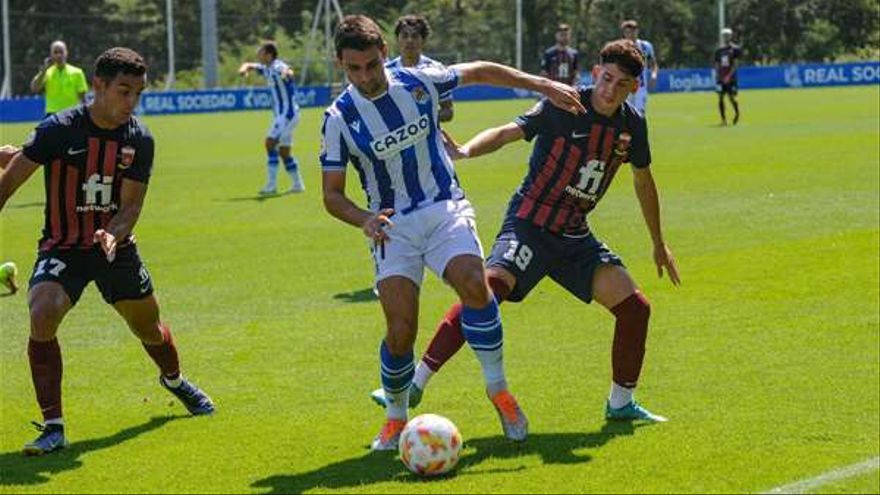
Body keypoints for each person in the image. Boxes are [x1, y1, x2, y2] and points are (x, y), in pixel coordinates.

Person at [371, 39, 679, 424]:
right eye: (607, 78)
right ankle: (413, 384)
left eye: (621, 84)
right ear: (596, 72)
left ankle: (620, 404)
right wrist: (466, 151)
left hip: (573, 236)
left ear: (634, 87)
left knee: (636, 310)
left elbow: (644, 181)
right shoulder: (563, 103)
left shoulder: (633, 125)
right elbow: (506, 132)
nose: (610, 89)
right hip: (530, 224)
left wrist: (658, 243)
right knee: (486, 292)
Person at [321, 15, 585, 451]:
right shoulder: (338, 118)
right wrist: (364, 218)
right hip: (393, 228)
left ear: (384, 53)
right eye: (354, 69)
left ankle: (498, 390)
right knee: (401, 329)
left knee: (473, 283)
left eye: (371, 64)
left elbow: (480, 69)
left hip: (444, 207)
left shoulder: (419, 80)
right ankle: (395, 417)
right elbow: (332, 195)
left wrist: (544, 86)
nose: (365, 77)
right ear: (341, 65)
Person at [0, 47, 215, 456]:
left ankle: (174, 381)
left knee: (148, 328)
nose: (131, 102)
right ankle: (53, 426)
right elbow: (8, 182)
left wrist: (114, 234)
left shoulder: (140, 139)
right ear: (98, 86)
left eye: (138, 93)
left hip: (114, 248)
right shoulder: (58, 129)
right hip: (63, 244)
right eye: (124, 91)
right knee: (42, 310)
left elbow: (131, 205)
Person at [238, 41, 304, 195]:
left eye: (260, 52)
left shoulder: (277, 67)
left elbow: (288, 71)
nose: (258, 54)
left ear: (268, 55)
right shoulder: (267, 68)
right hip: (286, 115)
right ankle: (297, 185)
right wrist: (244, 70)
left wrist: (287, 74)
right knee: (284, 152)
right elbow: (249, 65)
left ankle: (271, 185)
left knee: (269, 143)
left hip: (286, 115)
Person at [386, 15, 454, 122]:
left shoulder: (436, 70)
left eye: (415, 36)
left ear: (423, 40)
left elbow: (448, 111)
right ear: (397, 39)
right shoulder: (386, 72)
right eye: (404, 36)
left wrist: (423, 120)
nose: (409, 40)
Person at [30, 41, 89, 117]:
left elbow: (83, 98)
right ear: (51, 55)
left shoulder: (77, 72)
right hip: (52, 115)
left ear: (66, 53)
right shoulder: (46, 72)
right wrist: (43, 71)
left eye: (61, 52)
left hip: (71, 114)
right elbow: (34, 88)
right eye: (55, 52)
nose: (59, 55)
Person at [621, 20, 658, 115]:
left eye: (633, 31)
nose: (631, 34)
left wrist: (654, 76)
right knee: (625, 116)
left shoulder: (646, 46)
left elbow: (653, 64)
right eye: (627, 32)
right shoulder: (620, 47)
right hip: (625, 87)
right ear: (624, 33)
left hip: (641, 88)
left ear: (637, 31)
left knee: (639, 115)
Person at [715, 28, 742, 125]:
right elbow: (717, 64)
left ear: (731, 36)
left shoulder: (735, 49)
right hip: (721, 78)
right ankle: (723, 120)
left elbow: (735, 64)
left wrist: (729, 76)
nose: (725, 37)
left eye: (727, 35)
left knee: (731, 98)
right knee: (720, 97)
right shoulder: (719, 50)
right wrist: (718, 76)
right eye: (724, 35)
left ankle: (737, 113)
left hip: (731, 78)